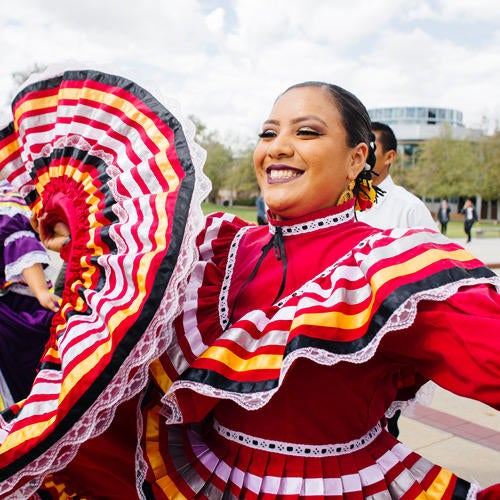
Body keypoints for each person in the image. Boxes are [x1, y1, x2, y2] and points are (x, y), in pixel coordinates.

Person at [0, 71, 499, 500]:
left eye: (306, 132)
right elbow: (123, 329)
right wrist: (70, 228)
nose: (277, 147)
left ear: (355, 159)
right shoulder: (218, 252)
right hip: (213, 478)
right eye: (267, 132)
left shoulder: (391, 266)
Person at [0, 178, 59, 409]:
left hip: (19, 310)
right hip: (18, 313)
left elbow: (21, 245)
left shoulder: (7, 200)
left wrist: (42, 293)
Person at [356, 122, 436, 229]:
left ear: (389, 157)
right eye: (358, 148)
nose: (360, 155)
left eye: (369, 149)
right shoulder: (341, 204)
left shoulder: (411, 209)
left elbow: (435, 246)